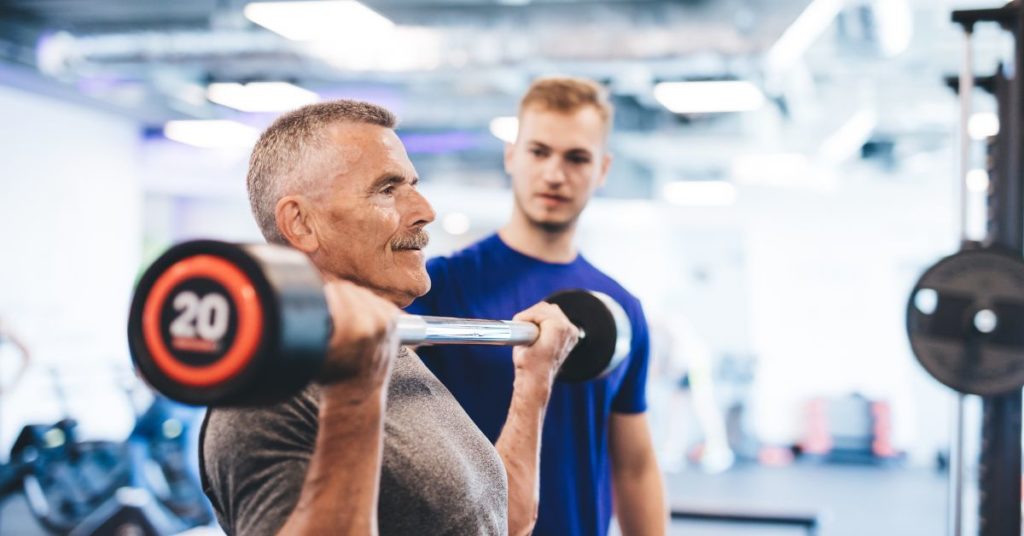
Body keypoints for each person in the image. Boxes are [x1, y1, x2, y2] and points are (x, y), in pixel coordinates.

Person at [199, 100, 580, 535]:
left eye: (413, 185)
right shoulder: (266, 399)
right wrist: (353, 397)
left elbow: (501, 523)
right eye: (386, 189)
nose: (424, 209)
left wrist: (534, 380)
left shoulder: (396, 351)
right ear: (301, 223)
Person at [407, 77, 668, 536]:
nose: (554, 173)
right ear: (511, 155)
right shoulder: (437, 286)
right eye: (539, 151)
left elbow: (635, 467)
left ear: (602, 169)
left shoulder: (622, 309)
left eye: (577, 158)